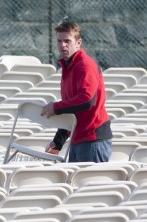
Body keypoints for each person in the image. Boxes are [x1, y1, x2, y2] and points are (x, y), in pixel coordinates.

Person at [41, 20, 112, 162]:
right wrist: (58, 141)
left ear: (78, 43)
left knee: (91, 184)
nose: (62, 45)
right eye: (59, 41)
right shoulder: (69, 67)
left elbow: (86, 100)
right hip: (79, 139)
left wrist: (56, 107)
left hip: (92, 140)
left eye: (67, 41)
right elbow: (71, 109)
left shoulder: (85, 65)